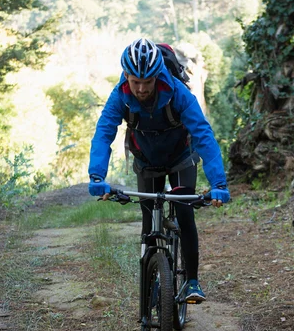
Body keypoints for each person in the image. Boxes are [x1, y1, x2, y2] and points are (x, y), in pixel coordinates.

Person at [88, 38, 230, 303]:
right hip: (146, 161)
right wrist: (97, 175)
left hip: (180, 157)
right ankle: (151, 283)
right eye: (135, 82)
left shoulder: (177, 93)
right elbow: (104, 132)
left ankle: (192, 282)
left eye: (148, 82)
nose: (141, 89)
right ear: (126, 76)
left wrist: (218, 183)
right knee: (148, 223)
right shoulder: (120, 96)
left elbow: (203, 135)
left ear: (157, 77)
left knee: (185, 214)